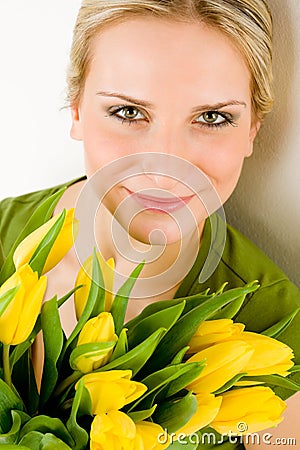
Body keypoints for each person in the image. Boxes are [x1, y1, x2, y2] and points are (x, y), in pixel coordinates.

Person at [0, 0, 299, 448]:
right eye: (128, 112)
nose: (167, 166)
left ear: (253, 128)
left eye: (213, 118)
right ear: (76, 108)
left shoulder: (274, 326)